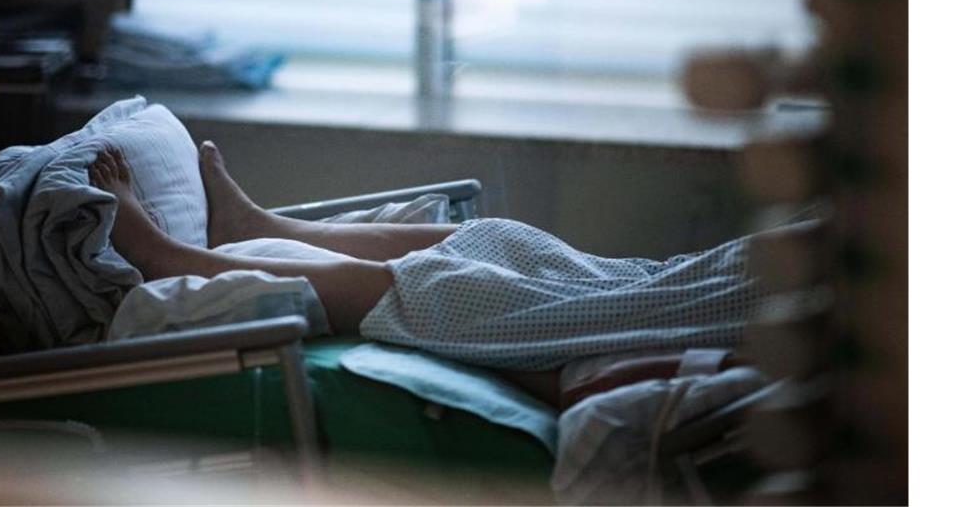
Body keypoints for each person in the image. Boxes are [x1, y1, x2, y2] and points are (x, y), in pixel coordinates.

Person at [88, 143, 756, 408]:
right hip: (694, 285)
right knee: (506, 239)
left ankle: (173, 259)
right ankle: (272, 231)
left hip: (686, 330)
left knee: (452, 291)